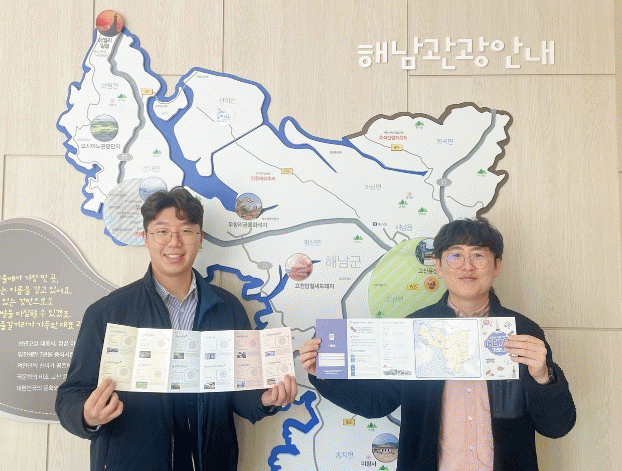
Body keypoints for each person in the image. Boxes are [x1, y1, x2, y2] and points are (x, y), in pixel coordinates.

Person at [299, 218, 575, 471]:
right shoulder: (413, 328)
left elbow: (557, 427)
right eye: (455, 255)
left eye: (478, 255)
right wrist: (324, 372)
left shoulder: (523, 331)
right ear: (439, 267)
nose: (467, 266)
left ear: (496, 266)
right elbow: (378, 402)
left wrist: (543, 377)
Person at [56, 187, 297, 471]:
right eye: (162, 231)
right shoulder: (107, 312)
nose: (174, 242)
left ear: (200, 238)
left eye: (186, 231)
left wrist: (264, 399)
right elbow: (71, 395)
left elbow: (239, 390)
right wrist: (87, 416)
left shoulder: (228, 308)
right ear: (145, 237)